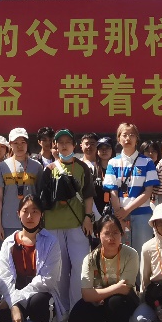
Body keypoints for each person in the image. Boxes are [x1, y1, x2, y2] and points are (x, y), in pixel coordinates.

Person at [36, 129, 96, 311]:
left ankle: (78, 310)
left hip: (77, 223)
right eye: (60, 142)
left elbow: (88, 195)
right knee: (59, 270)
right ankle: (61, 311)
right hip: (53, 225)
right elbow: (42, 199)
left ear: (74, 145)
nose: (64, 145)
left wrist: (88, 217)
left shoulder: (82, 167)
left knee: (80, 266)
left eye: (67, 142)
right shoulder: (49, 169)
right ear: (55, 145)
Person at [68, 213, 139, 322]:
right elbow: (86, 294)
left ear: (122, 234)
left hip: (123, 300)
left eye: (115, 233)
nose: (111, 238)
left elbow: (125, 289)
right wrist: (115, 288)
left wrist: (99, 294)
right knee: (76, 318)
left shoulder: (131, 254)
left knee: (115, 302)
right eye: (106, 233)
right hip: (98, 300)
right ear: (97, 235)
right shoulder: (90, 259)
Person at [0, 194, 65, 322]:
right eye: (25, 211)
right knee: (7, 317)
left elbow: (47, 280)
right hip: (14, 294)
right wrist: (13, 305)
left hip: (38, 294)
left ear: (42, 215)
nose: (29, 216)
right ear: (18, 214)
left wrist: (16, 299)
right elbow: (3, 278)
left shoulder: (51, 242)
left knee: (38, 303)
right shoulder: (9, 243)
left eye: (34, 212)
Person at [104, 122, 159, 251]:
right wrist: (119, 214)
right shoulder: (113, 162)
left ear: (137, 139)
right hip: (119, 215)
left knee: (142, 252)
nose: (128, 138)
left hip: (142, 214)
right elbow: (113, 191)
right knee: (121, 253)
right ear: (119, 138)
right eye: (124, 135)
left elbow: (148, 191)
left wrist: (126, 210)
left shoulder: (147, 162)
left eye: (132, 135)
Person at [0, 128, 42, 254]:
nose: (20, 146)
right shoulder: (2, 166)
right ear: (10, 145)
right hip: (8, 223)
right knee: (8, 258)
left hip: (31, 222)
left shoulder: (37, 166)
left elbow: (40, 196)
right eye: (16, 143)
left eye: (23, 142)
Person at [93, 136, 115, 201]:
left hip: (115, 204)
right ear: (97, 151)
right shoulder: (92, 169)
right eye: (101, 148)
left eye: (107, 148)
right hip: (96, 205)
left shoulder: (118, 168)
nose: (104, 151)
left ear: (112, 150)